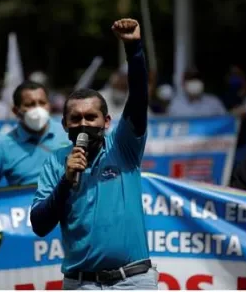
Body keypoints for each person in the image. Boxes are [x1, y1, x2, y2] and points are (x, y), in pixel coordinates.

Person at [30, 19, 158, 290]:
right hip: (81, 283)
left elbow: (138, 99)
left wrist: (134, 49)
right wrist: (66, 181)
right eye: (75, 119)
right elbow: (39, 224)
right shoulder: (56, 161)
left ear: (107, 122)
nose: (84, 124)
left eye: (91, 117)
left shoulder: (124, 148)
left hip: (132, 281)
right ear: (64, 125)